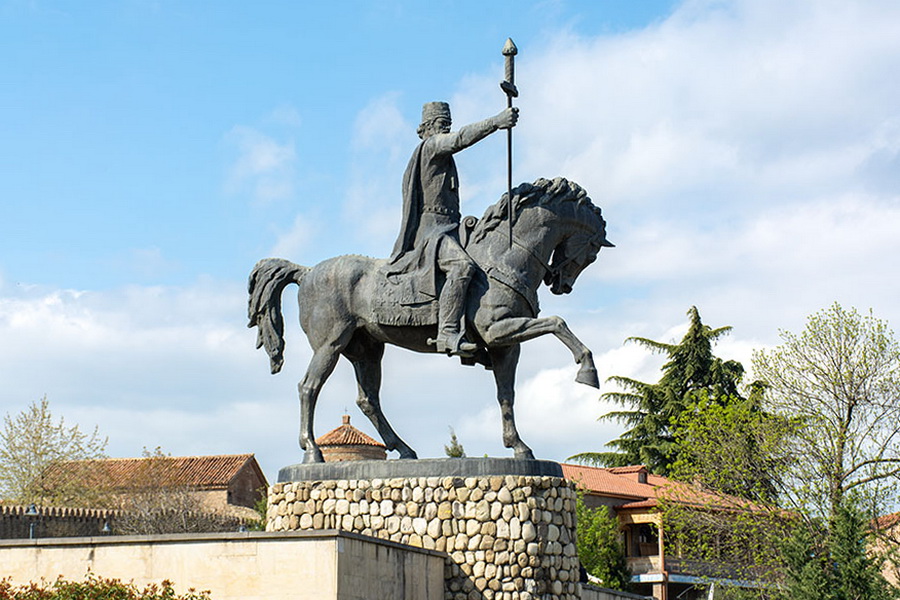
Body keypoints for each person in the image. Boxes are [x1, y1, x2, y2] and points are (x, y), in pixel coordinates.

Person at [390, 101, 518, 358]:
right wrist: (497, 120)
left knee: (483, 265)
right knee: (462, 267)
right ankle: (447, 332)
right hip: (432, 232)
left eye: (448, 124)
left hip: (451, 226)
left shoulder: (441, 152)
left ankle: (476, 331)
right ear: (427, 128)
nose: (446, 129)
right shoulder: (432, 146)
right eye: (441, 124)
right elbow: (460, 139)